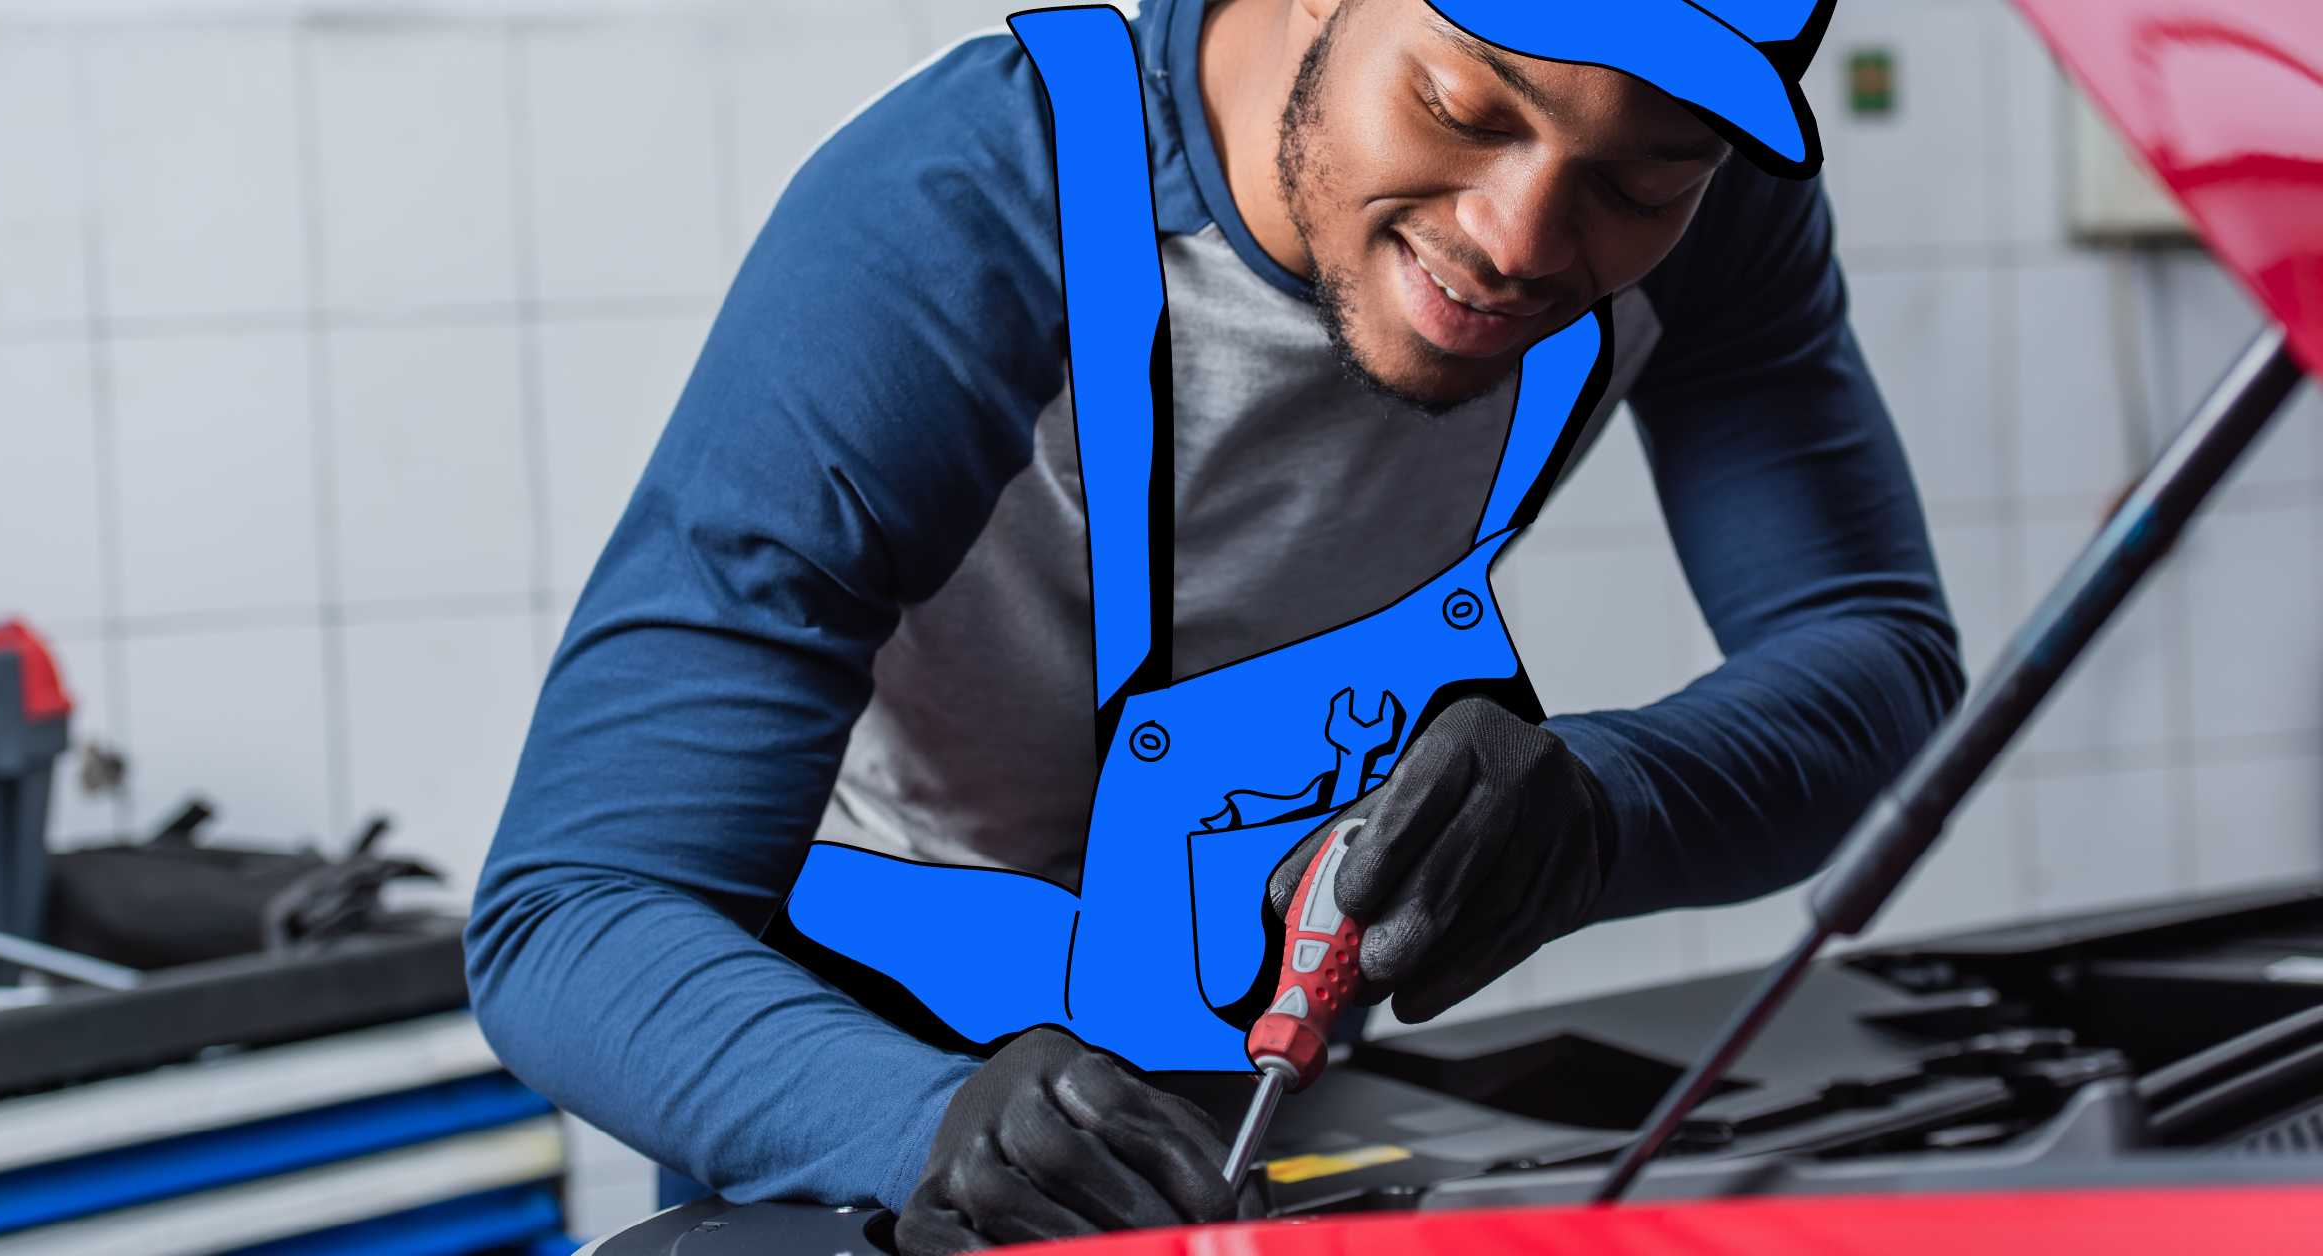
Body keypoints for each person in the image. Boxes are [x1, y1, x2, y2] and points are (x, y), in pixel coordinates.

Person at [465, 0, 1964, 1248]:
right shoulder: (964, 217)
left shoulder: (1711, 194)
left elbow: (1875, 648)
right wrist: (912, 1121)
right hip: (861, 1102)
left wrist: (1601, 803)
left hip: (1264, 1091)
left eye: (1639, 184)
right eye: (1465, 105)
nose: (1522, 236)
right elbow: (573, 912)